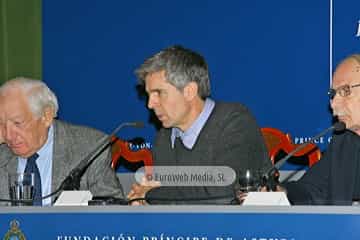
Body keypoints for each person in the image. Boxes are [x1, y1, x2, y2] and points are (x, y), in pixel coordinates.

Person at [127, 45, 271, 204]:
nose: (150, 104)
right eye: (148, 95)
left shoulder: (235, 121)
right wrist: (142, 202)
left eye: (159, 93)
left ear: (189, 91)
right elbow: (171, 199)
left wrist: (152, 195)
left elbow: (226, 191)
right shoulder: (164, 138)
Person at [0, 77, 124, 206]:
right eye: (1, 124)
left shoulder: (90, 147)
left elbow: (113, 208)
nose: (8, 135)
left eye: (18, 123)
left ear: (46, 116)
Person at [283, 54, 360, 205]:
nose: (334, 104)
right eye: (333, 94)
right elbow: (312, 190)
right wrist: (281, 192)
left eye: (345, 91)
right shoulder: (344, 140)